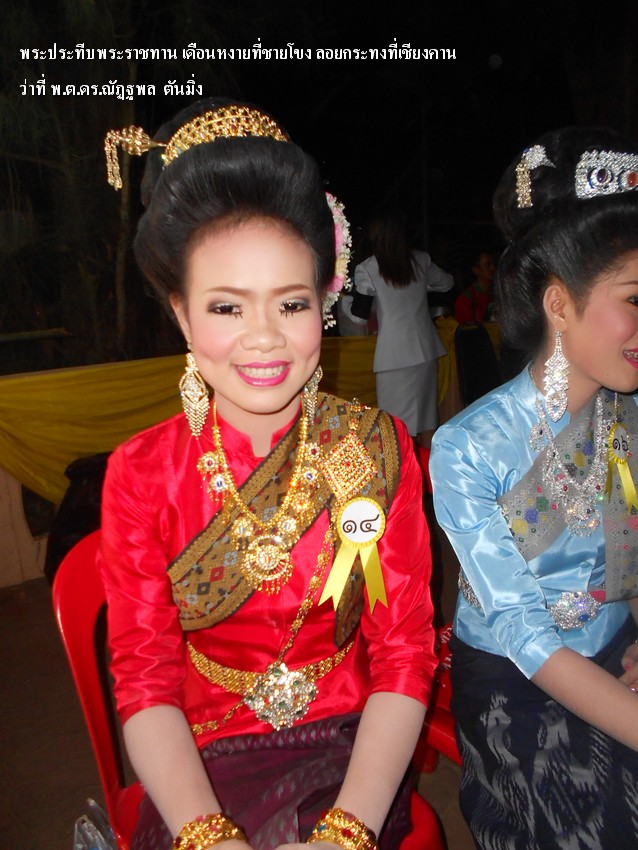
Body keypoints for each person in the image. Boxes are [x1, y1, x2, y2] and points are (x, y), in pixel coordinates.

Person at [99, 100, 437, 850]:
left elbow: (404, 653)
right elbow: (146, 680)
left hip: (353, 747)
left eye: (290, 304)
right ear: (182, 315)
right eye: (226, 307)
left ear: (323, 303)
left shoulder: (374, 448)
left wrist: (346, 833)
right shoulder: (142, 473)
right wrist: (207, 835)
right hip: (200, 756)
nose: (264, 339)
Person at [430, 127, 638, 849]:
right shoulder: (467, 448)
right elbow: (521, 629)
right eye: (635, 298)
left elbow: (635, 560)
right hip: (519, 685)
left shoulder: (629, 415)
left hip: (618, 649)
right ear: (558, 303)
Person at [348, 214, 453, 448]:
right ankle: (427, 470)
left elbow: (358, 316)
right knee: (427, 421)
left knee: (393, 426)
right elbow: (447, 283)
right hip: (425, 351)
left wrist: (344, 304)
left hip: (393, 357)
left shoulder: (368, 268)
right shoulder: (421, 260)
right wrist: (422, 286)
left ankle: (402, 471)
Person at [453, 250, 496, 324]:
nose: (493, 268)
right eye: (488, 264)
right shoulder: (466, 299)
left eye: (494, 263)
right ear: (475, 270)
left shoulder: (500, 291)